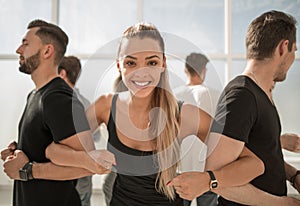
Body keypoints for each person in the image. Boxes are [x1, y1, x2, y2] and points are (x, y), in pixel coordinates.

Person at [45, 22, 264, 206]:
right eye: (131, 62)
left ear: (163, 64)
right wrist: (86, 158)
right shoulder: (105, 106)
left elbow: (253, 164)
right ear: (119, 66)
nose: (142, 72)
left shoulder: (184, 115)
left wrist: (209, 181)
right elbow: (54, 149)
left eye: (151, 62)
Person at [171, 10, 300, 205]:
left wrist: (293, 175)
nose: (293, 58)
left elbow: (262, 153)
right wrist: (282, 203)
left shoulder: (259, 94)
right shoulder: (242, 96)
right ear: (283, 47)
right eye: (294, 50)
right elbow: (219, 181)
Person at [0, 19, 114, 206]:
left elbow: (89, 167)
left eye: (25, 43)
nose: (18, 50)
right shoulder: (35, 95)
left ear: (47, 51)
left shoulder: (59, 99)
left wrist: (27, 170)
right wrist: (19, 151)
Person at [174, 52, 219, 206]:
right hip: (207, 171)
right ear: (204, 70)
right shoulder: (216, 96)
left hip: (179, 168)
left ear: (185, 70)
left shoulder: (173, 96)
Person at [58, 56, 94, 206]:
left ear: (62, 74)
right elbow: (95, 136)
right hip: (84, 174)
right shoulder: (86, 103)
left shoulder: (59, 102)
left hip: (65, 175)